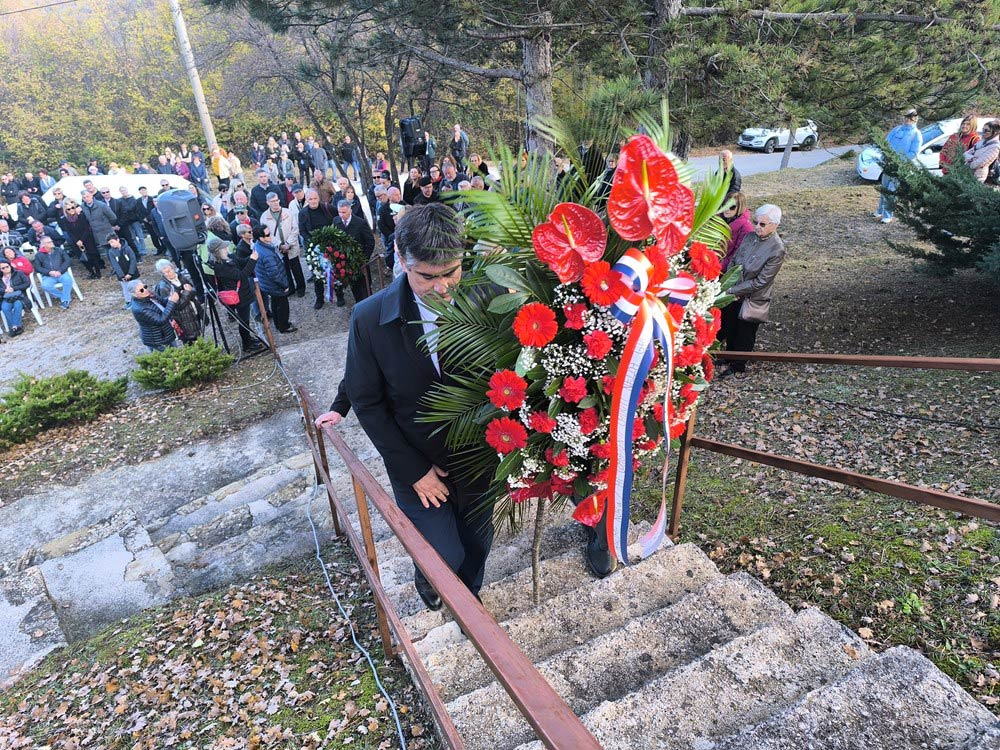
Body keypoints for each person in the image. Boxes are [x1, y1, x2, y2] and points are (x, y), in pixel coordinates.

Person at [320, 203, 493, 611]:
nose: (443, 287)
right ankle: (429, 580)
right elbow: (367, 400)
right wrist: (414, 471)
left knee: (477, 543)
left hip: (478, 459)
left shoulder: (488, 295)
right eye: (427, 277)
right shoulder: (368, 318)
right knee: (441, 553)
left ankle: (468, 600)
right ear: (400, 257)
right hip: (415, 459)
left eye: (451, 272)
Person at [718, 204, 786, 377]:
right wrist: (730, 281)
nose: (757, 227)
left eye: (762, 224)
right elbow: (734, 259)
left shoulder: (777, 249)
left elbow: (761, 281)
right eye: (756, 222)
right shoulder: (749, 237)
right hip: (735, 291)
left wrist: (733, 289)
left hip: (752, 298)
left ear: (775, 225)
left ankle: (738, 364)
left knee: (745, 332)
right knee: (730, 326)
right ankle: (728, 356)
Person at [207, 237, 264, 354]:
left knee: (245, 319)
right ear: (218, 251)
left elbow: (241, 262)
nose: (226, 248)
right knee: (244, 321)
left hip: (243, 293)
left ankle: (248, 339)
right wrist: (252, 261)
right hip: (240, 297)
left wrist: (251, 257)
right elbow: (242, 275)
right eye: (223, 247)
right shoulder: (221, 267)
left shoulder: (228, 258)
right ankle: (246, 344)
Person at [875, 108, 922, 224]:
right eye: (906, 117)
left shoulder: (916, 134)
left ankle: (888, 215)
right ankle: (880, 211)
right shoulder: (897, 129)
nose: (907, 120)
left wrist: (899, 161)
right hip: (888, 165)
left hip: (900, 167)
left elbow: (913, 153)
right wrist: (885, 156)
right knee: (884, 189)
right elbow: (886, 143)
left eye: (910, 117)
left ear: (915, 119)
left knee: (892, 191)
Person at [252, 224, 296, 333]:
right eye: (267, 235)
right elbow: (274, 274)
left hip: (267, 284)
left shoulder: (258, 246)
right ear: (261, 238)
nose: (270, 236)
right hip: (274, 284)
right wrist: (284, 285)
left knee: (275, 303)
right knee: (282, 305)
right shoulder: (267, 254)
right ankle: (284, 326)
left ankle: (278, 324)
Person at [260, 192, 305, 297]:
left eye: (277, 200)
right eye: (272, 201)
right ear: (268, 203)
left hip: (291, 245)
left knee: (296, 268)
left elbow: (295, 228)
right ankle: (290, 288)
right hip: (278, 248)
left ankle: (301, 288)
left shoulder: (288, 212)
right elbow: (267, 234)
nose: (275, 203)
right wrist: (279, 244)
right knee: (284, 269)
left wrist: (288, 243)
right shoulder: (264, 217)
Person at [297, 188, 336, 309]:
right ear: (307, 200)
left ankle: (339, 294)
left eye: (315, 198)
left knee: (334, 269)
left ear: (318, 198)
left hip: (329, 244)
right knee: (317, 272)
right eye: (310, 199)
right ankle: (319, 298)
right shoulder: (303, 213)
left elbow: (337, 221)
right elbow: (302, 231)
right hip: (313, 247)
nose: (313, 201)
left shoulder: (328, 208)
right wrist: (312, 242)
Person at [334, 198, 375, 302]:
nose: (341, 215)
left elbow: (370, 242)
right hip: (346, 262)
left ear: (350, 211)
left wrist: (364, 259)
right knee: (354, 286)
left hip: (360, 261)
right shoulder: (336, 221)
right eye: (339, 212)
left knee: (365, 286)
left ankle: (369, 305)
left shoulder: (360, 223)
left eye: (344, 212)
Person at [154, 259, 202, 343]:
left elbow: (194, 290)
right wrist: (187, 292)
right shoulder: (164, 287)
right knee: (190, 341)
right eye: (165, 272)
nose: (169, 273)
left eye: (169, 270)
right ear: (162, 274)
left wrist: (188, 291)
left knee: (199, 335)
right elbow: (177, 305)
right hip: (182, 319)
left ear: (173, 268)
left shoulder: (181, 276)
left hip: (193, 312)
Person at [128, 279, 180, 351]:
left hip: (165, 333)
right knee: (167, 356)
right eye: (141, 290)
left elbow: (162, 301)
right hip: (156, 340)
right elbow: (161, 320)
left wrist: (170, 298)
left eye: (145, 287)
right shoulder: (139, 309)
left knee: (175, 352)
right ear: (134, 294)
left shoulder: (149, 295)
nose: (145, 290)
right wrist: (172, 302)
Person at [59, 199, 102, 278]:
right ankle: (91, 272)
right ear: (66, 210)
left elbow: (86, 229)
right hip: (76, 241)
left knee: (93, 255)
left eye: (72, 208)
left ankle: (98, 272)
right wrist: (77, 241)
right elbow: (69, 232)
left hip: (87, 238)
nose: (71, 210)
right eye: (69, 209)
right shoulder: (65, 220)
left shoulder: (81, 216)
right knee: (83, 257)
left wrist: (81, 240)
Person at [33, 236, 75, 309]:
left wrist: (60, 271)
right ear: (43, 245)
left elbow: (67, 261)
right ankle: (64, 296)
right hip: (48, 276)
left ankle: (65, 300)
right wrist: (49, 272)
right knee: (45, 286)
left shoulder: (59, 250)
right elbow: (37, 267)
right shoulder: (39, 255)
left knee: (67, 280)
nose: (52, 243)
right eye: (49, 242)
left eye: (51, 241)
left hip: (61, 273)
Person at [720, 192, 754, 272]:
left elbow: (738, 255)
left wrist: (716, 266)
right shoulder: (718, 219)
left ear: (740, 208)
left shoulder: (746, 228)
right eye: (724, 205)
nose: (727, 209)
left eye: (732, 207)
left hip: (724, 269)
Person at [107, 233, 139, 308]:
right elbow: (115, 265)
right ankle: (129, 302)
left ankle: (140, 299)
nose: (111, 244)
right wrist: (122, 275)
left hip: (132, 273)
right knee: (125, 289)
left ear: (117, 240)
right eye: (110, 243)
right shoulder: (111, 252)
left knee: (136, 286)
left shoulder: (128, 248)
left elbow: (133, 260)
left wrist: (130, 273)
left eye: (112, 242)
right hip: (122, 275)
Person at [0, 259, 31, 336]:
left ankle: (15, 327)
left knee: (18, 305)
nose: (6, 269)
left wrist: (14, 288)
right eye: (3, 268)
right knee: (5, 308)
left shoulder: (18, 273)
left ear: (10, 265)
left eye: (7, 266)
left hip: (19, 296)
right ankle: (16, 327)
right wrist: (4, 290)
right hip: (6, 297)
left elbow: (27, 283)